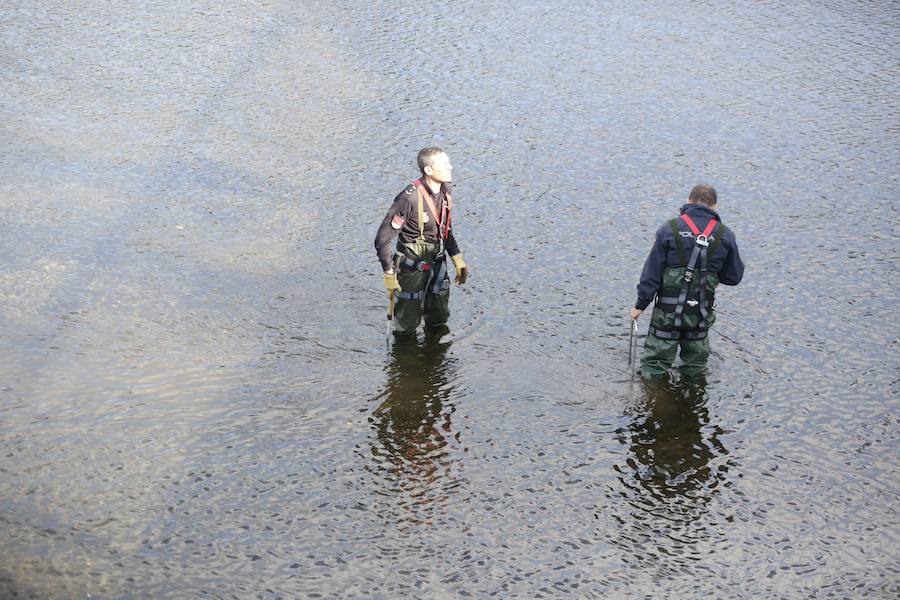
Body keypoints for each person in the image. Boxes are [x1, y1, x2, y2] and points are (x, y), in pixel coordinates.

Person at [630, 184, 744, 379]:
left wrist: (640, 305)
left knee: (654, 366)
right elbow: (733, 277)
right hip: (700, 314)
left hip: (667, 313)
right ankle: (693, 395)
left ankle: (654, 395)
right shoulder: (725, 235)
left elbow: (652, 273)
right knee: (695, 369)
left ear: (689, 201)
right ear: (715, 206)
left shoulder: (669, 229)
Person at [375, 147, 468, 335]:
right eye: (444, 164)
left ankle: (435, 351)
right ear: (428, 170)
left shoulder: (446, 191)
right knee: (406, 327)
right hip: (411, 268)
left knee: (439, 319)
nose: (450, 167)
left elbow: (445, 229)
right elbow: (382, 240)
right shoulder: (409, 198)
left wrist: (457, 258)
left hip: (438, 263)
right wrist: (389, 274)